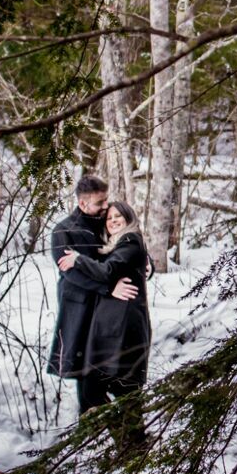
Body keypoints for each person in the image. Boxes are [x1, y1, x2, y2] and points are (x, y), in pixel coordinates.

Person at [56, 199, 152, 417]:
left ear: (129, 217)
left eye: (118, 216)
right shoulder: (117, 245)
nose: (113, 221)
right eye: (109, 218)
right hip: (111, 333)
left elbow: (109, 270)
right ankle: (129, 443)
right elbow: (112, 264)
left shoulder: (130, 239)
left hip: (123, 332)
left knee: (122, 393)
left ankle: (133, 444)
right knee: (102, 392)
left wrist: (78, 260)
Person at [45, 175, 136, 391]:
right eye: (99, 203)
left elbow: (130, 244)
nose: (106, 206)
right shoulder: (63, 231)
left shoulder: (109, 223)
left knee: (121, 374)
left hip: (113, 310)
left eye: (106, 200)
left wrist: (146, 264)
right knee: (87, 379)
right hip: (81, 309)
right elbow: (72, 274)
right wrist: (108, 288)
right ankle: (92, 420)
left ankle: (125, 421)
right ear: (82, 203)